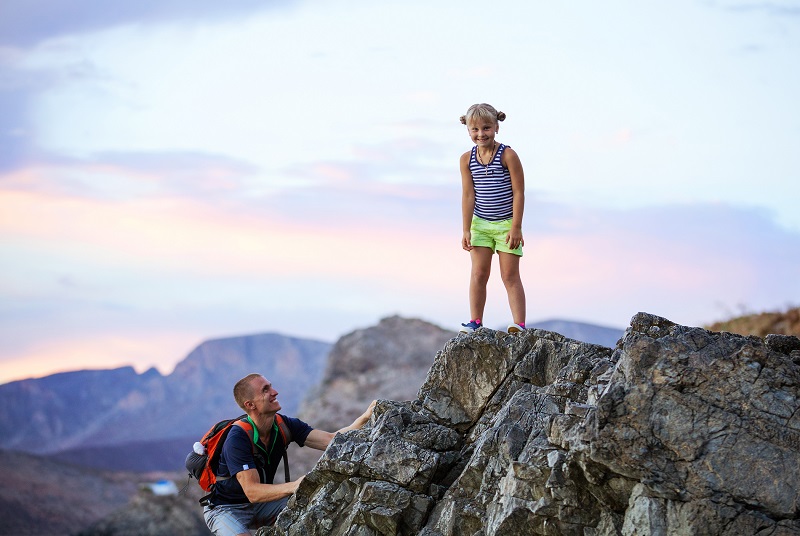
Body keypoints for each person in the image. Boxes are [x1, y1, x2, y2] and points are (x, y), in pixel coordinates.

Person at [203, 373, 376, 536]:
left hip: (261, 506)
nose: (274, 392)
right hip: (225, 509)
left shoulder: (284, 425)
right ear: (250, 404)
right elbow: (253, 491)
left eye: (271, 387)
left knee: (315, 505)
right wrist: (295, 485)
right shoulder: (237, 438)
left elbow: (331, 440)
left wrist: (364, 418)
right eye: (265, 390)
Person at [459, 103, 527, 334]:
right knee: (479, 273)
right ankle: (475, 322)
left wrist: (516, 227)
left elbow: (519, 192)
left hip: (506, 224)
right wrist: (467, 229)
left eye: (486, 128)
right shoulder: (466, 160)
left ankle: (519, 324)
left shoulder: (508, 155)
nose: (481, 134)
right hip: (480, 224)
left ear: (496, 127)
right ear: (468, 130)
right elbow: (469, 195)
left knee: (509, 275)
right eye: (475, 130)